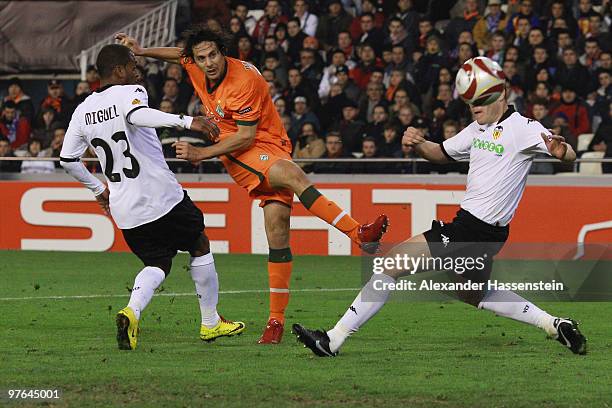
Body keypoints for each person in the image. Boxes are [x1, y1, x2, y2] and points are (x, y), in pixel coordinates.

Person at [293, 61, 587, 357]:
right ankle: (554, 324)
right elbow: (442, 153)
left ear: (501, 95)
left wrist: (563, 153)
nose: (474, 106)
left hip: (471, 230)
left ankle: (332, 339)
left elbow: (565, 152)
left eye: (481, 99)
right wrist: (419, 143)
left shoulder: (522, 128)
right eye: (470, 101)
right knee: (473, 294)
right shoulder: (476, 130)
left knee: (389, 265)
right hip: (485, 234)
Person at [116, 26, 389, 345]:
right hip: (241, 152)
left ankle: (275, 322)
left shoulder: (243, 80)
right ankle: (359, 233)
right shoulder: (196, 63)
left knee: (278, 232)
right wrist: (142, 50)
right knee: (293, 176)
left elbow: (247, 134)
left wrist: (201, 153)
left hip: (260, 142)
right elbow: (181, 56)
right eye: (202, 57)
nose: (208, 63)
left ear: (224, 52)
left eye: (213, 55)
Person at [59, 44, 245, 350]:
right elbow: (138, 115)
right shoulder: (130, 92)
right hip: (161, 196)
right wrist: (187, 122)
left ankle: (131, 311)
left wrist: (98, 188)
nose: (137, 70)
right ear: (118, 71)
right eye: (133, 66)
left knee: (157, 262)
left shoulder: (82, 111)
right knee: (199, 243)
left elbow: (67, 159)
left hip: (125, 209)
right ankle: (211, 323)